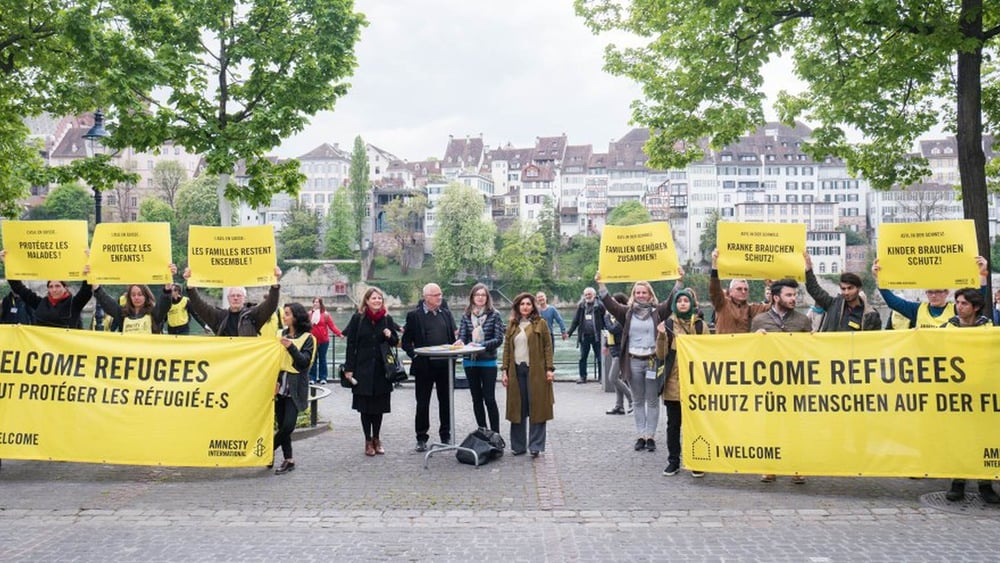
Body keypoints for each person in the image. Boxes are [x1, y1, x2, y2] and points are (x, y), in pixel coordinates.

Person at [597, 271, 681, 453]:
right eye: (637, 292)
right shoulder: (626, 313)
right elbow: (609, 303)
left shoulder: (657, 311)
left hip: (652, 361)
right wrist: (601, 284)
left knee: (652, 400)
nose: (641, 295)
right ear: (633, 295)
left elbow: (672, 300)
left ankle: (650, 435)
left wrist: (679, 281)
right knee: (637, 400)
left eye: (644, 292)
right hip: (633, 361)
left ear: (650, 295)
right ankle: (640, 435)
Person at [938, 288, 1000, 503]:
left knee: (983, 437)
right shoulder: (948, 326)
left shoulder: (988, 327)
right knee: (959, 437)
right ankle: (958, 482)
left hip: (982, 391)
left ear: (975, 307)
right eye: (957, 302)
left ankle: (985, 483)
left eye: (964, 303)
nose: (959, 306)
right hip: (956, 392)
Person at [751, 278, 811, 484]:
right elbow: (751, 353)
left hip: (796, 382)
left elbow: (809, 352)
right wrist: (755, 338)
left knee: (795, 426)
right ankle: (770, 466)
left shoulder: (803, 321)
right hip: (770, 382)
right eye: (789, 295)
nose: (793, 298)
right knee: (770, 426)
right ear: (776, 297)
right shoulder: (759, 321)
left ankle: (797, 466)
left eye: (794, 295)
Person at [344, 287, 401, 456]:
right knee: (365, 407)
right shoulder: (358, 319)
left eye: (379, 298)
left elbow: (395, 342)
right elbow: (351, 344)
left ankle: (377, 438)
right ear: (367, 301)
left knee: (379, 407)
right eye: (374, 298)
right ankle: (368, 440)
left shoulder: (386, 319)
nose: (377, 301)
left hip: (382, 370)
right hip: (363, 369)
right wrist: (349, 368)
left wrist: (389, 335)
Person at [401, 282, 458, 451]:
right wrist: (415, 355)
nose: (440, 297)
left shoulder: (446, 314)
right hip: (424, 366)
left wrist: (458, 344)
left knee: (445, 402)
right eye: (436, 295)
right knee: (423, 403)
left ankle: (445, 434)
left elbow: (452, 339)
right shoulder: (414, 316)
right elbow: (405, 342)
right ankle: (421, 437)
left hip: (445, 366)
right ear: (426, 297)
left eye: (440, 294)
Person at [658, 288, 708, 477]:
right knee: (673, 425)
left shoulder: (700, 325)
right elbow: (661, 354)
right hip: (673, 382)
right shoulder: (668, 324)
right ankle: (673, 461)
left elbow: (709, 352)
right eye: (680, 301)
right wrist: (662, 335)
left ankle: (697, 460)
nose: (683, 304)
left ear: (692, 304)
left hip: (696, 383)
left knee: (695, 424)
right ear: (675, 304)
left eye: (686, 301)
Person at [500, 292, 555, 457]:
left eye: (528, 304)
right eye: (522, 304)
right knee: (518, 408)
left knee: (538, 407)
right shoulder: (512, 325)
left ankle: (536, 445)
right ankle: (518, 446)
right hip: (516, 371)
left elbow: (547, 347)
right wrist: (504, 371)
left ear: (533, 307)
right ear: (518, 306)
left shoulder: (541, 324)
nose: (525, 307)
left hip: (536, 371)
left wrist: (549, 369)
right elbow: (507, 350)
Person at [872, 256, 989, 329]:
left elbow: (977, 299)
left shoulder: (956, 309)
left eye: (938, 292)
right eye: (930, 292)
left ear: (946, 293)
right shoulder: (917, 309)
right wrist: (878, 278)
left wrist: (982, 274)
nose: (933, 295)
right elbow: (893, 302)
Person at [272, 303, 315, 474]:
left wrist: (290, 347)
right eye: (284, 313)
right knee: (282, 424)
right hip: (278, 385)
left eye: (288, 314)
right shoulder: (278, 334)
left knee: (288, 426)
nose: (284, 316)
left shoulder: (308, 338)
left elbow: (304, 362)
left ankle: (268, 450)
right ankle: (288, 459)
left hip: (295, 386)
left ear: (296, 316)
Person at [456, 283, 505, 433]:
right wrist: (460, 342)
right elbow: (463, 336)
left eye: (483, 295)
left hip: (488, 362)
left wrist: (481, 345)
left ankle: (495, 433)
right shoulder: (466, 315)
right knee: (476, 399)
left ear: (487, 297)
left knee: (489, 398)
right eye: (477, 295)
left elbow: (498, 339)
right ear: (472, 297)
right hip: (470, 362)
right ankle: (483, 430)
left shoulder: (494, 315)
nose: (480, 298)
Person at [1, 250, 93, 329]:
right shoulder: (40, 303)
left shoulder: (74, 303)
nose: (54, 289)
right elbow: (19, 288)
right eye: (51, 286)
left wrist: (90, 264)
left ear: (65, 288)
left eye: (57, 286)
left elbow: (86, 291)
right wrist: (8, 266)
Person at [182, 266, 282, 338]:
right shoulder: (220, 316)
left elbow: (270, 305)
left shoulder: (252, 315)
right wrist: (190, 286)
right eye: (233, 296)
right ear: (228, 298)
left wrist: (275, 285)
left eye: (239, 295)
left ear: (244, 298)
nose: (235, 298)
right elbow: (200, 306)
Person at [803, 253, 881, 332]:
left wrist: (878, 278)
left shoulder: (871, 315)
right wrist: (808, 270)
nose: (846, 292)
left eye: (850, 288)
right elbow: (814, 290)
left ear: (859, 288)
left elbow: (875, 341)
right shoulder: (833, 304)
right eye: (843, 289)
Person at [708, 249, 771, 334]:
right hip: (723, 346)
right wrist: (715, 265)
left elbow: (774, 305)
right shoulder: (722, 304)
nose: (743, 291)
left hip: (743, 346)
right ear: (730, 291)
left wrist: (772, 285)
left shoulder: (751, 309)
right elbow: (714, 288)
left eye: (746, 289)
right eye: (739, 289)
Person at [93, 282, 172, 334]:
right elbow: (106, 301)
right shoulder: (123, 314)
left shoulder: (154, 313)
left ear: (146, 296)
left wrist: (168, 286)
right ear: (129, 297)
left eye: (140, 294)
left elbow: (164, 304)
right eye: (133, 295)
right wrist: (95, 283)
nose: (136, 298)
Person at [566, 287, 605, 384]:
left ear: (594, 295)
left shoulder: (600, 306)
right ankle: (582, 377)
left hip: (597, 336)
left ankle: (601, 377)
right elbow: (575, 321)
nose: (587, 296)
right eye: (586, 294)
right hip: (584, 336)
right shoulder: (581, 306)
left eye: (589, 294)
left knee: (600, 358)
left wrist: (607, 332)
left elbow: (605, 320)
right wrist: (569, 333)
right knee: (583, 357)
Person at [603, 292, 633, 415]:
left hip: (621, 351)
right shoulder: (613, 316)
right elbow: (608, 333)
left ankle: (631, 399)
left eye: (615, 302)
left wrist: (606, 318)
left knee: (613, 378)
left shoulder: (623, 316)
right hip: (614, 349)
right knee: (617, 378)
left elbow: (613, 329)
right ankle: (619, 406)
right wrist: (605, 345)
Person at [309, 297, 344, 384]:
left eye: (317, 302)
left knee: (322, 359)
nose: (315, 304)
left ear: (321, 304)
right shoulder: (309, 314)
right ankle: (312, 378)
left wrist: (339, 334)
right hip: (312, 340)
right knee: (313, 359)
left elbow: (332, 326)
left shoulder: (325, 314)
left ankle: (323, 378)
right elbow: (305, 325)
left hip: (324, 340)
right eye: (314, 302)